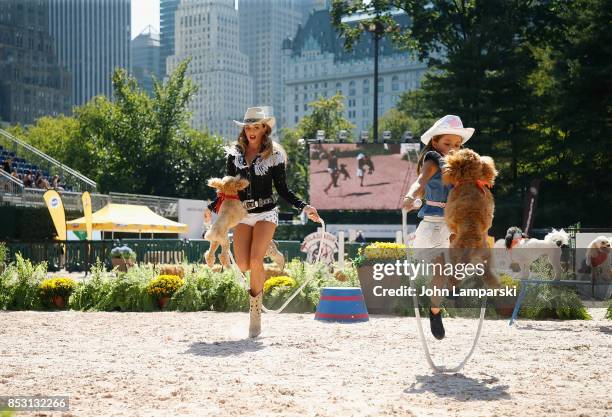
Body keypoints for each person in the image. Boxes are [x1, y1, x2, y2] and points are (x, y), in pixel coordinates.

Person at [204, 107, 321, 338]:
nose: (251, 131)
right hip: (242, 215)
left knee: (256, 261)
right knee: (244, 265)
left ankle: (255, 315)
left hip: (266, 213)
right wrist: (211, 209)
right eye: (248, 127)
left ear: (264, 129)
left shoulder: (274, 154)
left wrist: (304, 207)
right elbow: (228, 188)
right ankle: (268, 246)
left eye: (256, 127)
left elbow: (283, 189)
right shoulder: (234, 154)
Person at [401, 115, 474, 340]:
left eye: (456, 144)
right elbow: (421, 181)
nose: (452, 149)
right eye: (447, 143)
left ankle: (446, 293)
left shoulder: (462, 164)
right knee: (439, 269)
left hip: (455, 221)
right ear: (435, 143)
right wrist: (411, 195)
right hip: (433, 223)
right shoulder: (433, 160)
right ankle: (435, 311)